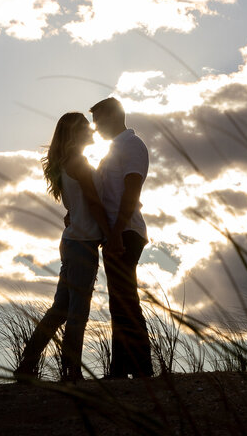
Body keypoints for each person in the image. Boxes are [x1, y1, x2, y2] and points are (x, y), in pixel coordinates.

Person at [16, 112, 111, 381]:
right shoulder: (79, 163)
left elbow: (76, 206)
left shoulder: (67, 163)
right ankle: (71, 371)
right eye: (87, 127)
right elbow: (93, 203)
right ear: (77, 133)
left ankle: (28, 363)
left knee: (60, 308)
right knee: (77, 310)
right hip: (82, 243)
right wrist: (110, 235)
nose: (93, 130)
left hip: (72, 241)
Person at [91, 96, 153, 378]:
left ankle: (141, 369)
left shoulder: (131, 145)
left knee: (125, 300)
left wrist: (116, 233)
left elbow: (131, 192)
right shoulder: (114, 150)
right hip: (117, 232)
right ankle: (120, 369)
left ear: (114, 117)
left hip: (126, 232)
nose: (95, 127)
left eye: (99, 120)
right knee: (120, 300)